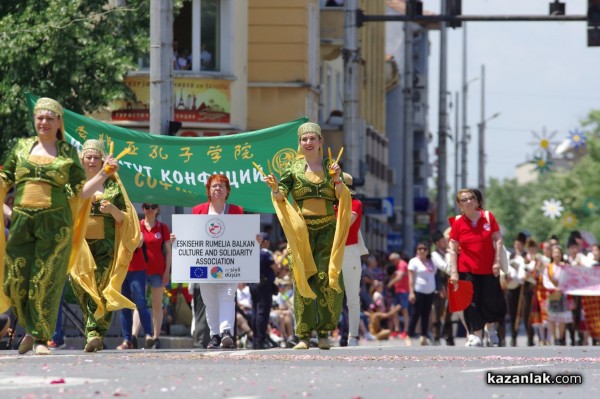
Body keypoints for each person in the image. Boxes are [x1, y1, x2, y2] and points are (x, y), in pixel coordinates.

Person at [0, 98, 120, 355]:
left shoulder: (66, 154)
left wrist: (103, 174)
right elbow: (4, 180)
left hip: (56, 224)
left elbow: (81, 192)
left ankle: (42, 338)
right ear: (34, 119)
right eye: (40, 117)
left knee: (47, 278)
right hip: (22, 221)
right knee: (16, 277)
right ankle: (30, 327)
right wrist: (7, 210)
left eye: (49, 118)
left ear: (58, 122)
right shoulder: (21, 148)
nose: (44, 122)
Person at [263, 121, 352, 349]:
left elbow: (342, 196)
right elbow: (281, 197)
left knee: (326, 279)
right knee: (302, 279)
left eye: (313, 139)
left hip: (327, 231)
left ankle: (323, 333)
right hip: (301, 232)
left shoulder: (331, 167)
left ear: (321, 141)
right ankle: (303, 335)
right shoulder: (292, 169)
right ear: (299, 143)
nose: (308, 143)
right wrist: (274, 187)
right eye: (304, 139)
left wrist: (337, 179)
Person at [71, 139, 141, 353]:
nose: (92, 161)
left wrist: (111, 209)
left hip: (106, 248)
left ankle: (95, 333)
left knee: (102, 291)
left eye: (96, 158)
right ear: (82, 159)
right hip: (79, 248)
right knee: (83, 288)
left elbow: (125, 220)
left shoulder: (112, 185)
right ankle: (93, 331)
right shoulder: (75, 183)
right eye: (88, 157)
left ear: (103, 161)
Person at [448, 188, 506, 348]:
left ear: (476, 201)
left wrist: (497, 261)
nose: (468, 201)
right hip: (466, 268)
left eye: (471, 198)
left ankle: (491, 329)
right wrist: (454, 272)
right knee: (471, 303)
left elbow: (498, 239)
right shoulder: (458, 223)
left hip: (488, 268)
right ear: (459, 205)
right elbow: (453, 248)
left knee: (489, 301)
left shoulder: (488, 217)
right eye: (464, 200)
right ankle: (476, 335)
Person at [191, 174, 242, 349]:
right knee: (209, 300)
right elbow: (192, 235)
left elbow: (243, 235)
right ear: (208, 190)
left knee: (228, 295)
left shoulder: (237, 210)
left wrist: (253, 238)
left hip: (230, 261)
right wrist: (178, 237)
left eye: (221, 186)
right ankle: (215, 335)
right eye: (214, 186)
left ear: (227, 191)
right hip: (204, 262)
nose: (217, 189)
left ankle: (227, 332)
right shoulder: (198, 210)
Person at [336, 173, 367, 347]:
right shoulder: (330, 205)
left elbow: (345, 223)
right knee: (331, 295)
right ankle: (328, 333)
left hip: (349, 251)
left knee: (352, 297)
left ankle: (352, 336)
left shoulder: (355, 203)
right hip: (333, 252)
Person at [136, 202, 172, 349]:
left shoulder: (163, 228)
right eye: (147, 207)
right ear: (143, 209)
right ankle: (133, 336)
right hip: (140, 269)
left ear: (158, 209)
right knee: (139, 304)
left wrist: (167, 271)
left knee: (157, 306)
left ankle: (156, 337)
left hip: (158, 270)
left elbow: (169, 251)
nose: (150, 210)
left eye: (153, 207)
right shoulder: (138, 225)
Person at [116, 225, 155, 350]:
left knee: (141, 303)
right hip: (122, 269)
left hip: (137, 270)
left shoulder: (137, 227)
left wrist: (124, 240)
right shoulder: (116, 227)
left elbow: (139, 242)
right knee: (124, 306)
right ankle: (127, 340)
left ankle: (149, 335)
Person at [405, 242, 437, 346]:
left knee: (426, 315)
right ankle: (409, 336)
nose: (422, 250)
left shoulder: (431, 261)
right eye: (420, 248)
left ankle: (423, 336)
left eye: (424, 248)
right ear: (417, 250)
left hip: (430, 291)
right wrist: (411, 292)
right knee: (415, 314)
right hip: (418, 291)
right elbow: (410, 279)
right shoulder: (413, 261)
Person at [249, 232, 277, 350]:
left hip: (252, 284)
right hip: (264, 284)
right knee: (263, 312)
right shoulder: (266, 253)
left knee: (255, 311)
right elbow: (275, 267)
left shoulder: (251, 252)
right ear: (264, 242)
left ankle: (256, 339)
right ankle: (260, 339)